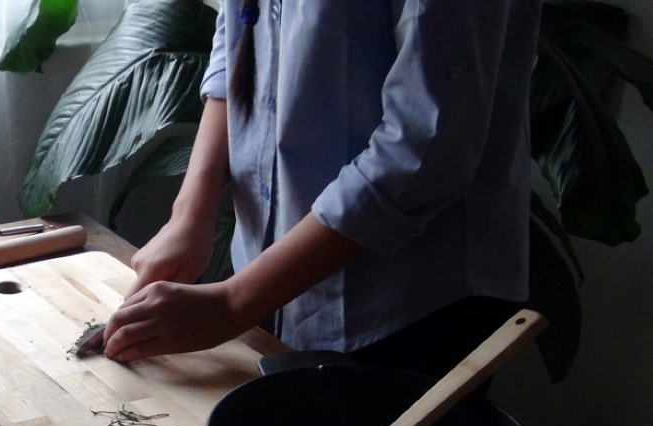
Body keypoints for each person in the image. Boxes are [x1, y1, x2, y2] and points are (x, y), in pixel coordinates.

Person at [99, 0, 541, 380]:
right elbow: (239, 30)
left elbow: (426, 142)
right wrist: (189, 214)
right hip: (275, 292)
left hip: (415, 310)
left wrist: (234, 303)